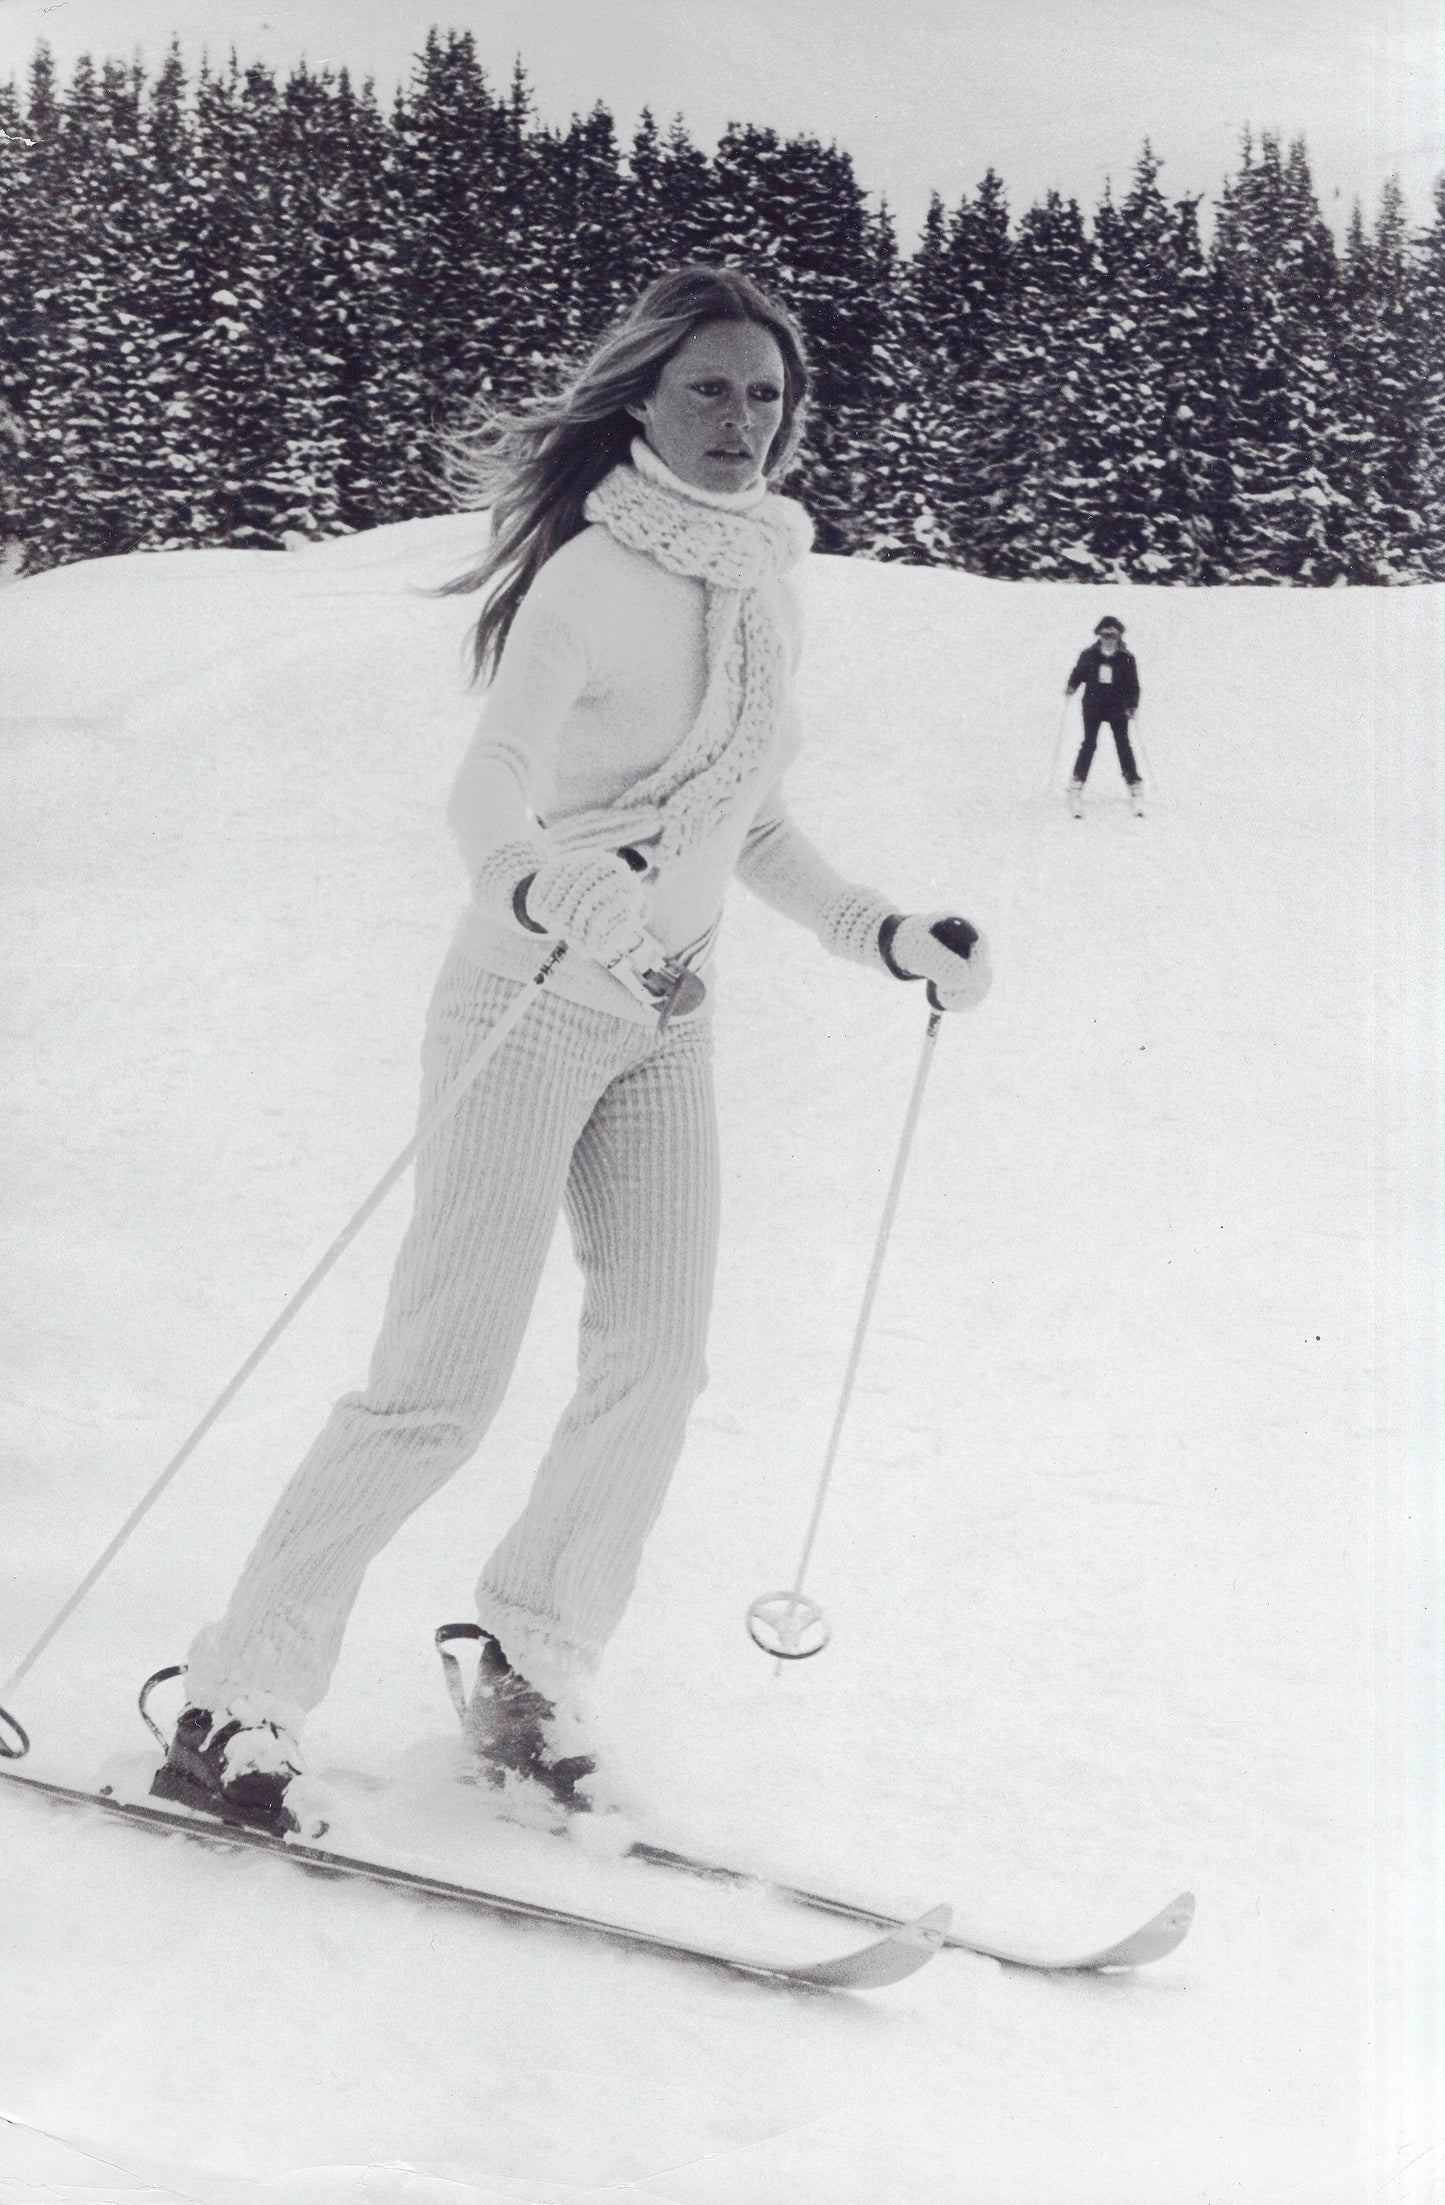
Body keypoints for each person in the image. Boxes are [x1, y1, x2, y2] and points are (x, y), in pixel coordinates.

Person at [149, 264, 993, 1837]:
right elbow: (489, 794)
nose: (744, 422)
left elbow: (753, 821)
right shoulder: (592, 577)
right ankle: (233, 1696)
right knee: (439, 1386)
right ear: (643, 402)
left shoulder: (763, 582)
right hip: (526, 1000)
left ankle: (532, 1662)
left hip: (668, 1019)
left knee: (658, 1359)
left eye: (767, 394)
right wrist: (554, 881)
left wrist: (882, 931)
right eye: (710, 391)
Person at [1065, 616, 1143, 814]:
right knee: (1089, 743)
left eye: (1112, 635)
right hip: (1093, 706)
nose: (1108, 639)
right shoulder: (1089, 655)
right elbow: (1079, 672)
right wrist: (1072, 685)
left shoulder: (1126, 658)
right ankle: (1077, 781)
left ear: (1118, 636)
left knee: (1123, 744)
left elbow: (1133, 685)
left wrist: (1132, 704)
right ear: (1099, 636)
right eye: (1104, 635)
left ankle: (1133, 782)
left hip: (1117, 707)